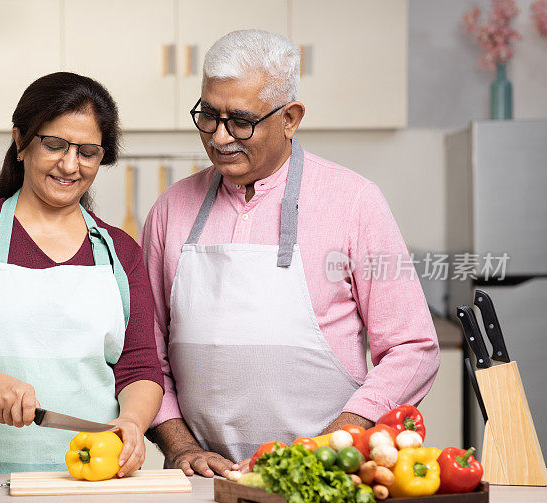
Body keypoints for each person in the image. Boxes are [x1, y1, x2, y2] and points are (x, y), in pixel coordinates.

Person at [140, 30, 439, 477]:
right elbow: (147, 351)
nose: (219, 138)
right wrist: (181, 447)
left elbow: (412, 347)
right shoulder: (171, 208)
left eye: (240, 121)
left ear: (290, 118)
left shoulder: (355, 201)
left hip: (324, 473)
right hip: (200, 480)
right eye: (207, 116)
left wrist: (340, 439)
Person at [0, 72, 163, 475]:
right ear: (21, 142)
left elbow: (140, 368)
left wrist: (133, 421)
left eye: (88, 152)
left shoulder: (120, 252)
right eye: (54, 144)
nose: (70, 165)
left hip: (96, 482)